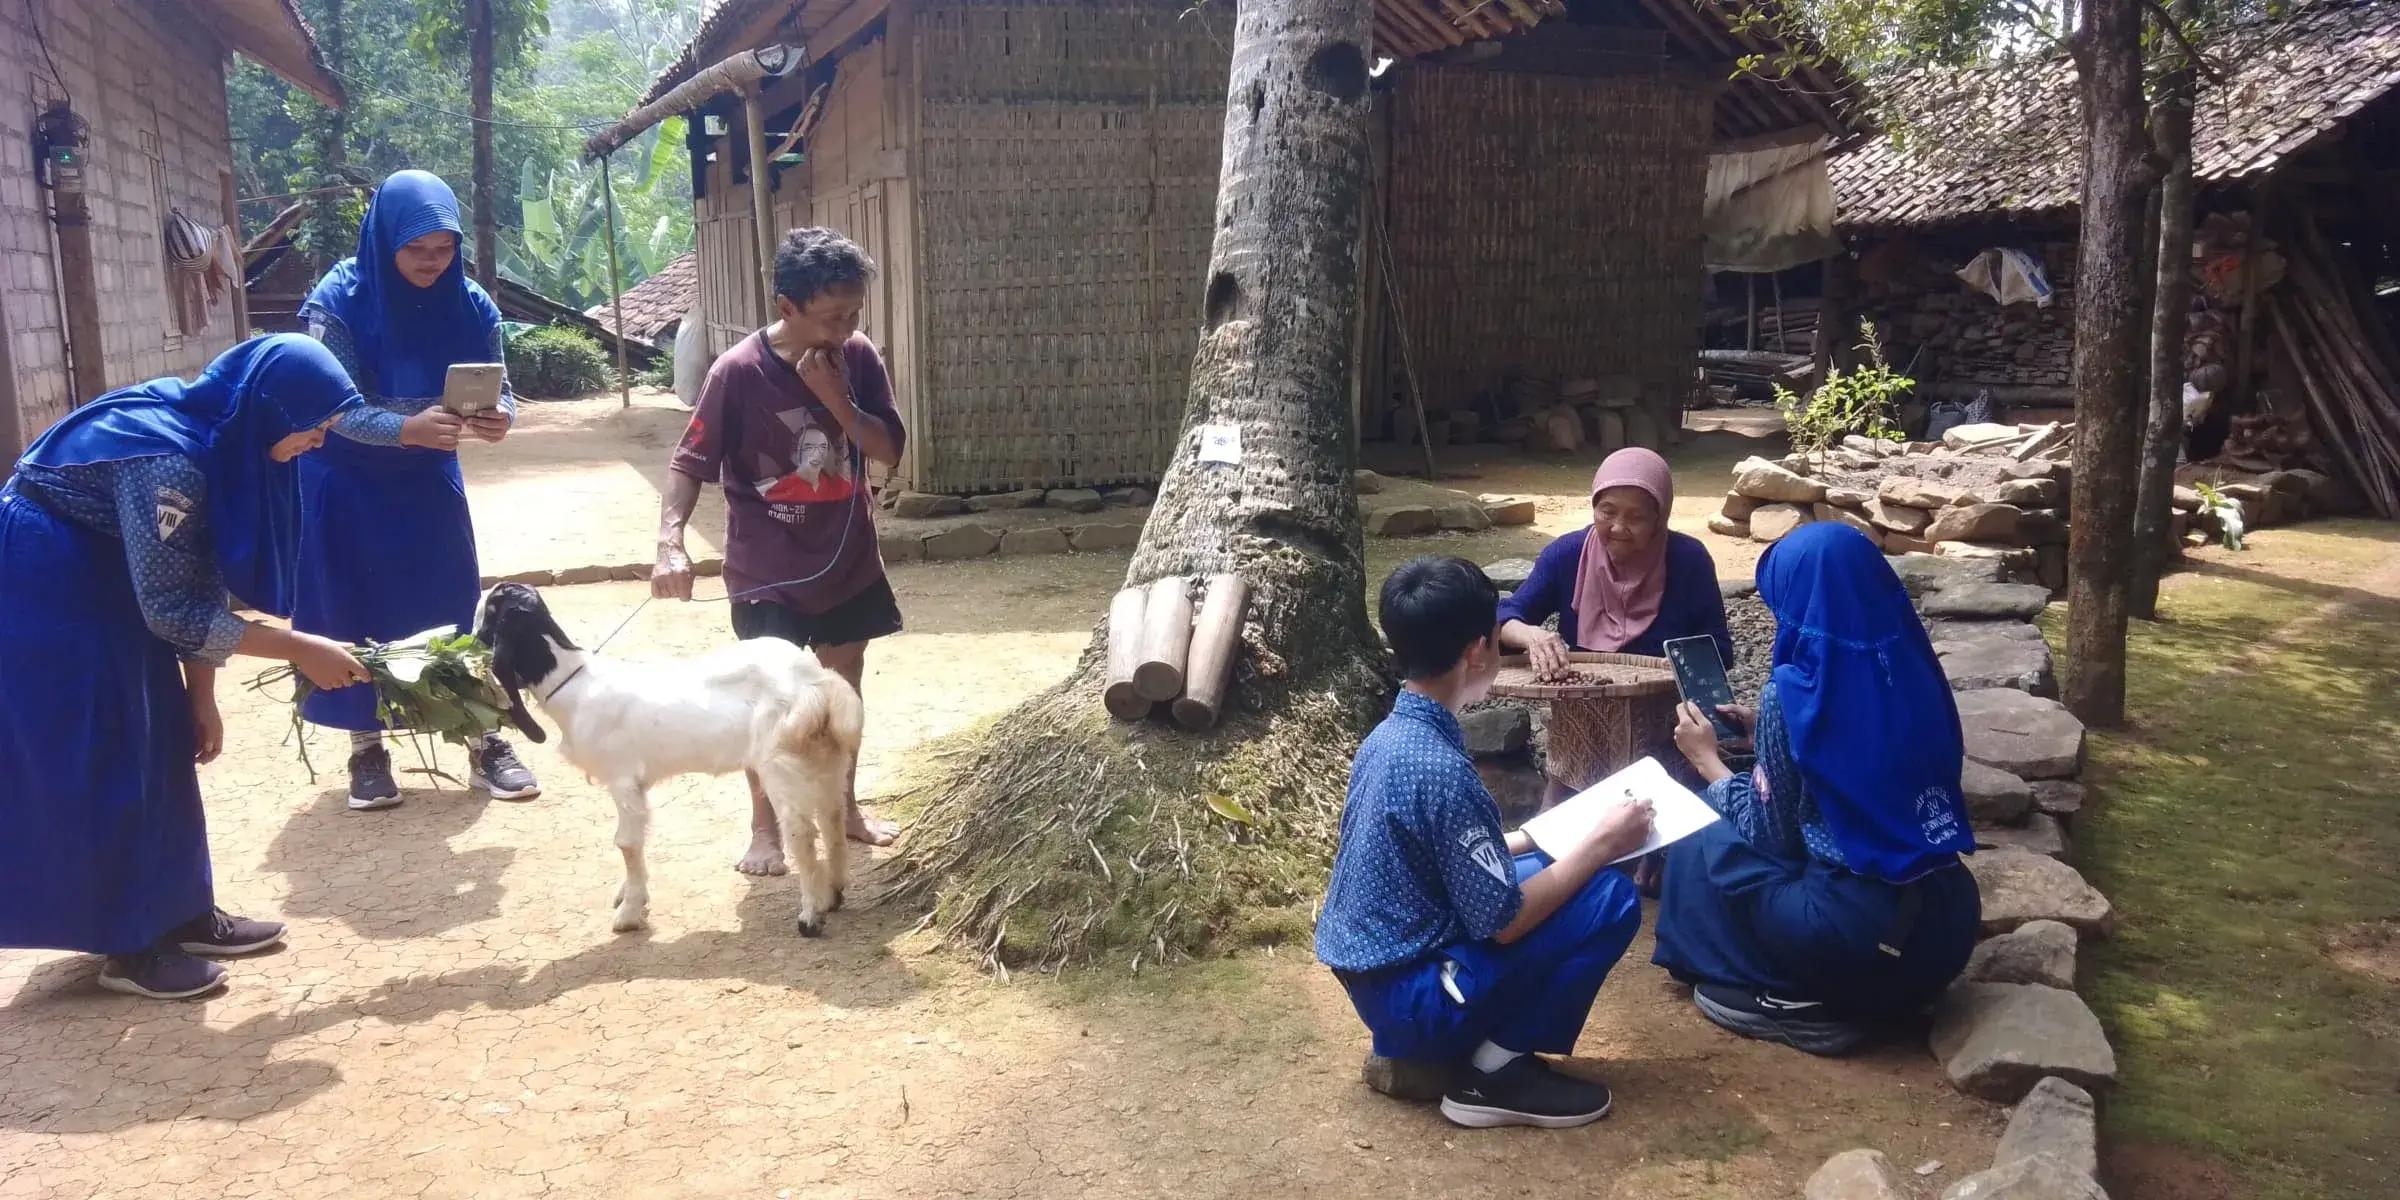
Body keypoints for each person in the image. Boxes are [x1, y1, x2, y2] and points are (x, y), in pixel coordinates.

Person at [0, 335, 377, 1000]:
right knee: (99, 745)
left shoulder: (219, 438)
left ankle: (181, 911)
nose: (317, 444)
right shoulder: (167, 462)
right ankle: (129, 945)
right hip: (46, 577)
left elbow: (195, 575)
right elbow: (173, 611)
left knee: (162, 732)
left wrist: (199, 698)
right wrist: (299, 648)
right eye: (311, 431)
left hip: (111, 573)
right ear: (268, 411)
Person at [1316, 556, 1654, 1131]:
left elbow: (1438, 852)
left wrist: (1540, 835)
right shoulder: (1444, 769)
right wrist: (1599, 844)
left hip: (1384, 981)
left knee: (1553, 861)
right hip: (1417, 998)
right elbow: (1506, 923)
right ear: (1477, 651)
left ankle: (1459, 1053)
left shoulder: (1390, 735)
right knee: (1609, 896)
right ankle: (1495, 1073)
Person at [1655, 522, 1982, 1056]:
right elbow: (1867, 744)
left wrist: (1707, 759)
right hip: (1944, 929)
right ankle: (1861, 996)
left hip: (1851, 938)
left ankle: (1794, 1002)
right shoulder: (1914, 670)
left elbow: (1769, 833)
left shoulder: (1794, 695)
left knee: (1701, 834)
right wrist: (1769, 726)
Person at [653, 226, 906, 865]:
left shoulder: (859, 360)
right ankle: (764, 830)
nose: (845, 327)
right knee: (769, 698)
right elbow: (690, 462)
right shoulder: (737, 372)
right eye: (831, 316)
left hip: (847, 559)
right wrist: (670, 544)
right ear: (786, 307)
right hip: (766, 565)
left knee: (842, 687)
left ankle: (844, 808)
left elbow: (888, 450)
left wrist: (838, 403)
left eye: (853, 313)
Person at [295, 169, 540, 811]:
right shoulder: (338, 300)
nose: (433, 264)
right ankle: (365, 747)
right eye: (416, 251)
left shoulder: (472, 303)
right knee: (351, 606)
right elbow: (330, 406)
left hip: (429, 476)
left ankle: (482, 741)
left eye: (445, 250)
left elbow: (503, 384)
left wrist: (500, 417)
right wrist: (404, 427)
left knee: (449, 599)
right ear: (383, 241)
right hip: (344, 480)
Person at [1498, 446, 1731, 675]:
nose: (1618, 527)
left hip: (1669, 704)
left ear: (1659, 519)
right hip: (1581, 701)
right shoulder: (1567, 555)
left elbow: (1720, 650)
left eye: (1636, 517)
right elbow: (1503, 618)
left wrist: (1657, 670)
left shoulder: (1689, 559)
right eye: (1607, 512)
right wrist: (1531, 636)